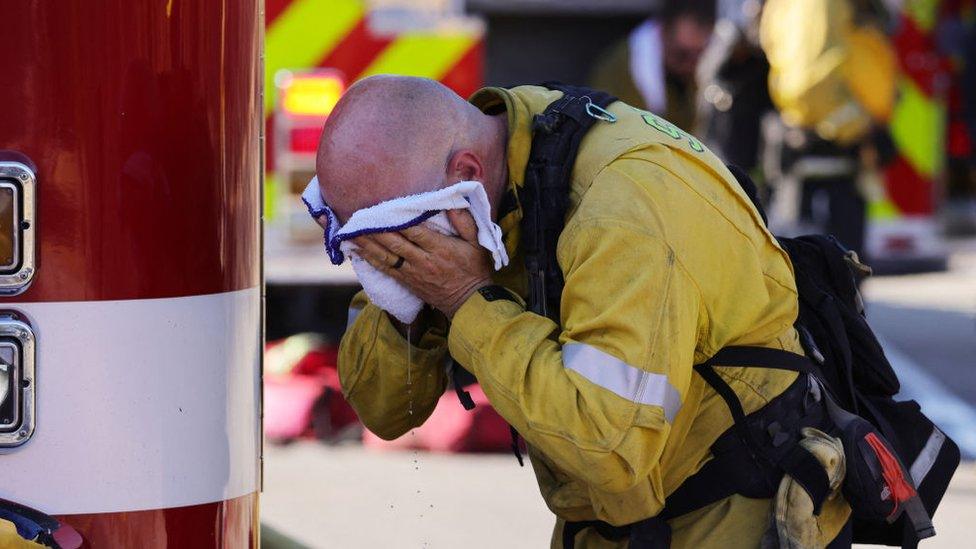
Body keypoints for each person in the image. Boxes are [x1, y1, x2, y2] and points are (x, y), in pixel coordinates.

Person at [312, 75, 851, 547]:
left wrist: (464, 298)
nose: (389, 261)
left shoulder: (621, 211)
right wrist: (406, 303)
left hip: (733, 508)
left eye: (397, 242)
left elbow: (609, 446)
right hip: (609, 519)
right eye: (364, 245)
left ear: (467, 174)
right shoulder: (474, 183)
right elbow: (385, 410)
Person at [759, 0, 897, 257]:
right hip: (829, 159)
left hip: (839, 154)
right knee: (827, 278)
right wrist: (855, 125)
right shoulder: (819, 5)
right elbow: (809, 86)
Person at [590, 0, 716, 131]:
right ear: (661, 33)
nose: (691, 65)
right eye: (682, 55)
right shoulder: (622, 72)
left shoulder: (714, 74)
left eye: (701, 55)